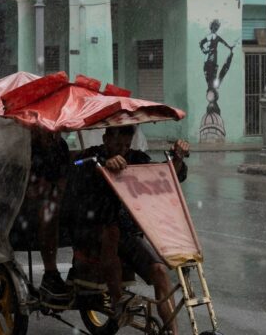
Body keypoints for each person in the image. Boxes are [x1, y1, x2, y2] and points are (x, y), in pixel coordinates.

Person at [73, 126, 189, 335]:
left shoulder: (136, 158)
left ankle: (172, 331)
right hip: (94, 233)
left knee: (160, 272)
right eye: (118, 145)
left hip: (126, 234)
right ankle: (119, 302)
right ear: (106, 138)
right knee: (112, 232)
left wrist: (177, 158)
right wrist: (103, 165)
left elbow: (162, 175)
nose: (123, 150)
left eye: (127, 145)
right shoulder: (92, 156)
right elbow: (76, 167)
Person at [28, 128, 71, 302]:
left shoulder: (60, 146)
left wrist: (58, 193)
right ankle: (50, 272)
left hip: (52, 197)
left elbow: (63, 180)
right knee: (49, 212)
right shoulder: (26, 148)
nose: (51, 136)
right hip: (28, 206)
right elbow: (27, 187)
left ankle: (81, 269)